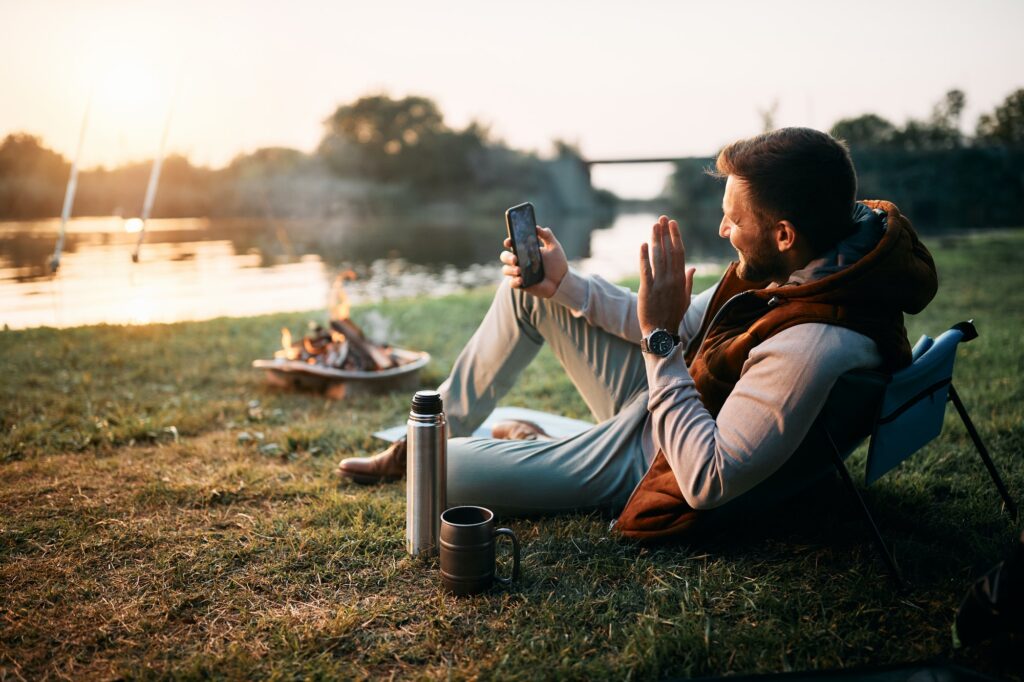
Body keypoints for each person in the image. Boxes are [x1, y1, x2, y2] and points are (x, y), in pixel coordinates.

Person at [336, 127, 938, 542]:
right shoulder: (810, 273)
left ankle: (487, 449)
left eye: (735, 217)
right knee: (526, 292)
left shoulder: (813, 341)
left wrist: (659, 339)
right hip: (668, 404)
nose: (723, 227)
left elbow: (707, 480)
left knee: (441, 470)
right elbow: (665, 323)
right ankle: (443, 429)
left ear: (784, 234)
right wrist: (566, 285)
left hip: (657, 458)